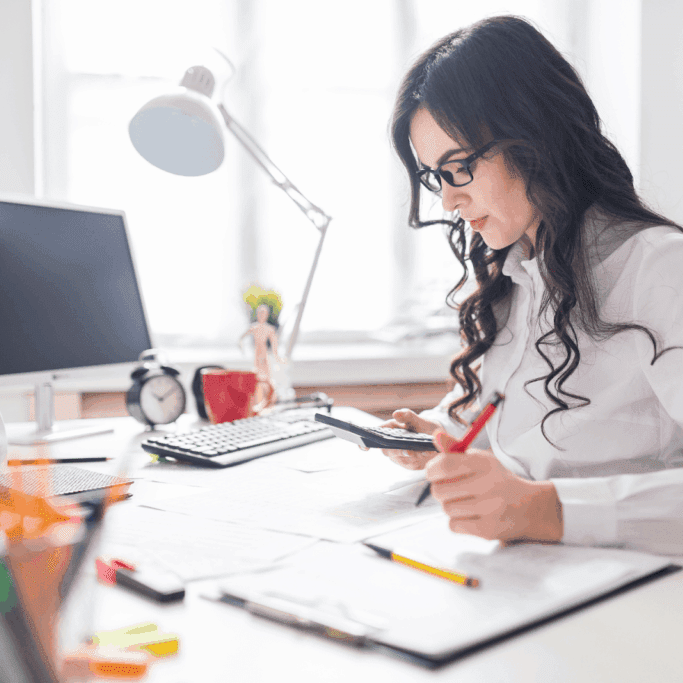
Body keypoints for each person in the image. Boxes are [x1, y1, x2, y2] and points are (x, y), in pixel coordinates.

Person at [385, 15, 683, 553]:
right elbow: (510, 431)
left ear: (535, 140)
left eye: (459, 168)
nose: (448, 201)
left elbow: (536, 494)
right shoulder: (516, 276)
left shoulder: (662, 270)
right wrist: (437, 435)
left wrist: (545, 510)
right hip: (523, 578)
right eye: (435, 176)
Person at [239, 304, 285, 383]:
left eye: (263, 313)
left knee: (266, 373)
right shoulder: (253, 327)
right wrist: (243, 350)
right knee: (257, 373)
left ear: (267, 314)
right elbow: (241, 339)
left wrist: (277, 357)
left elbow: (274, 344)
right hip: (256, 352)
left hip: (264, 352)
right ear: (257, 314)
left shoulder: (269, 329)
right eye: (260, 313)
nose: (261, 315)